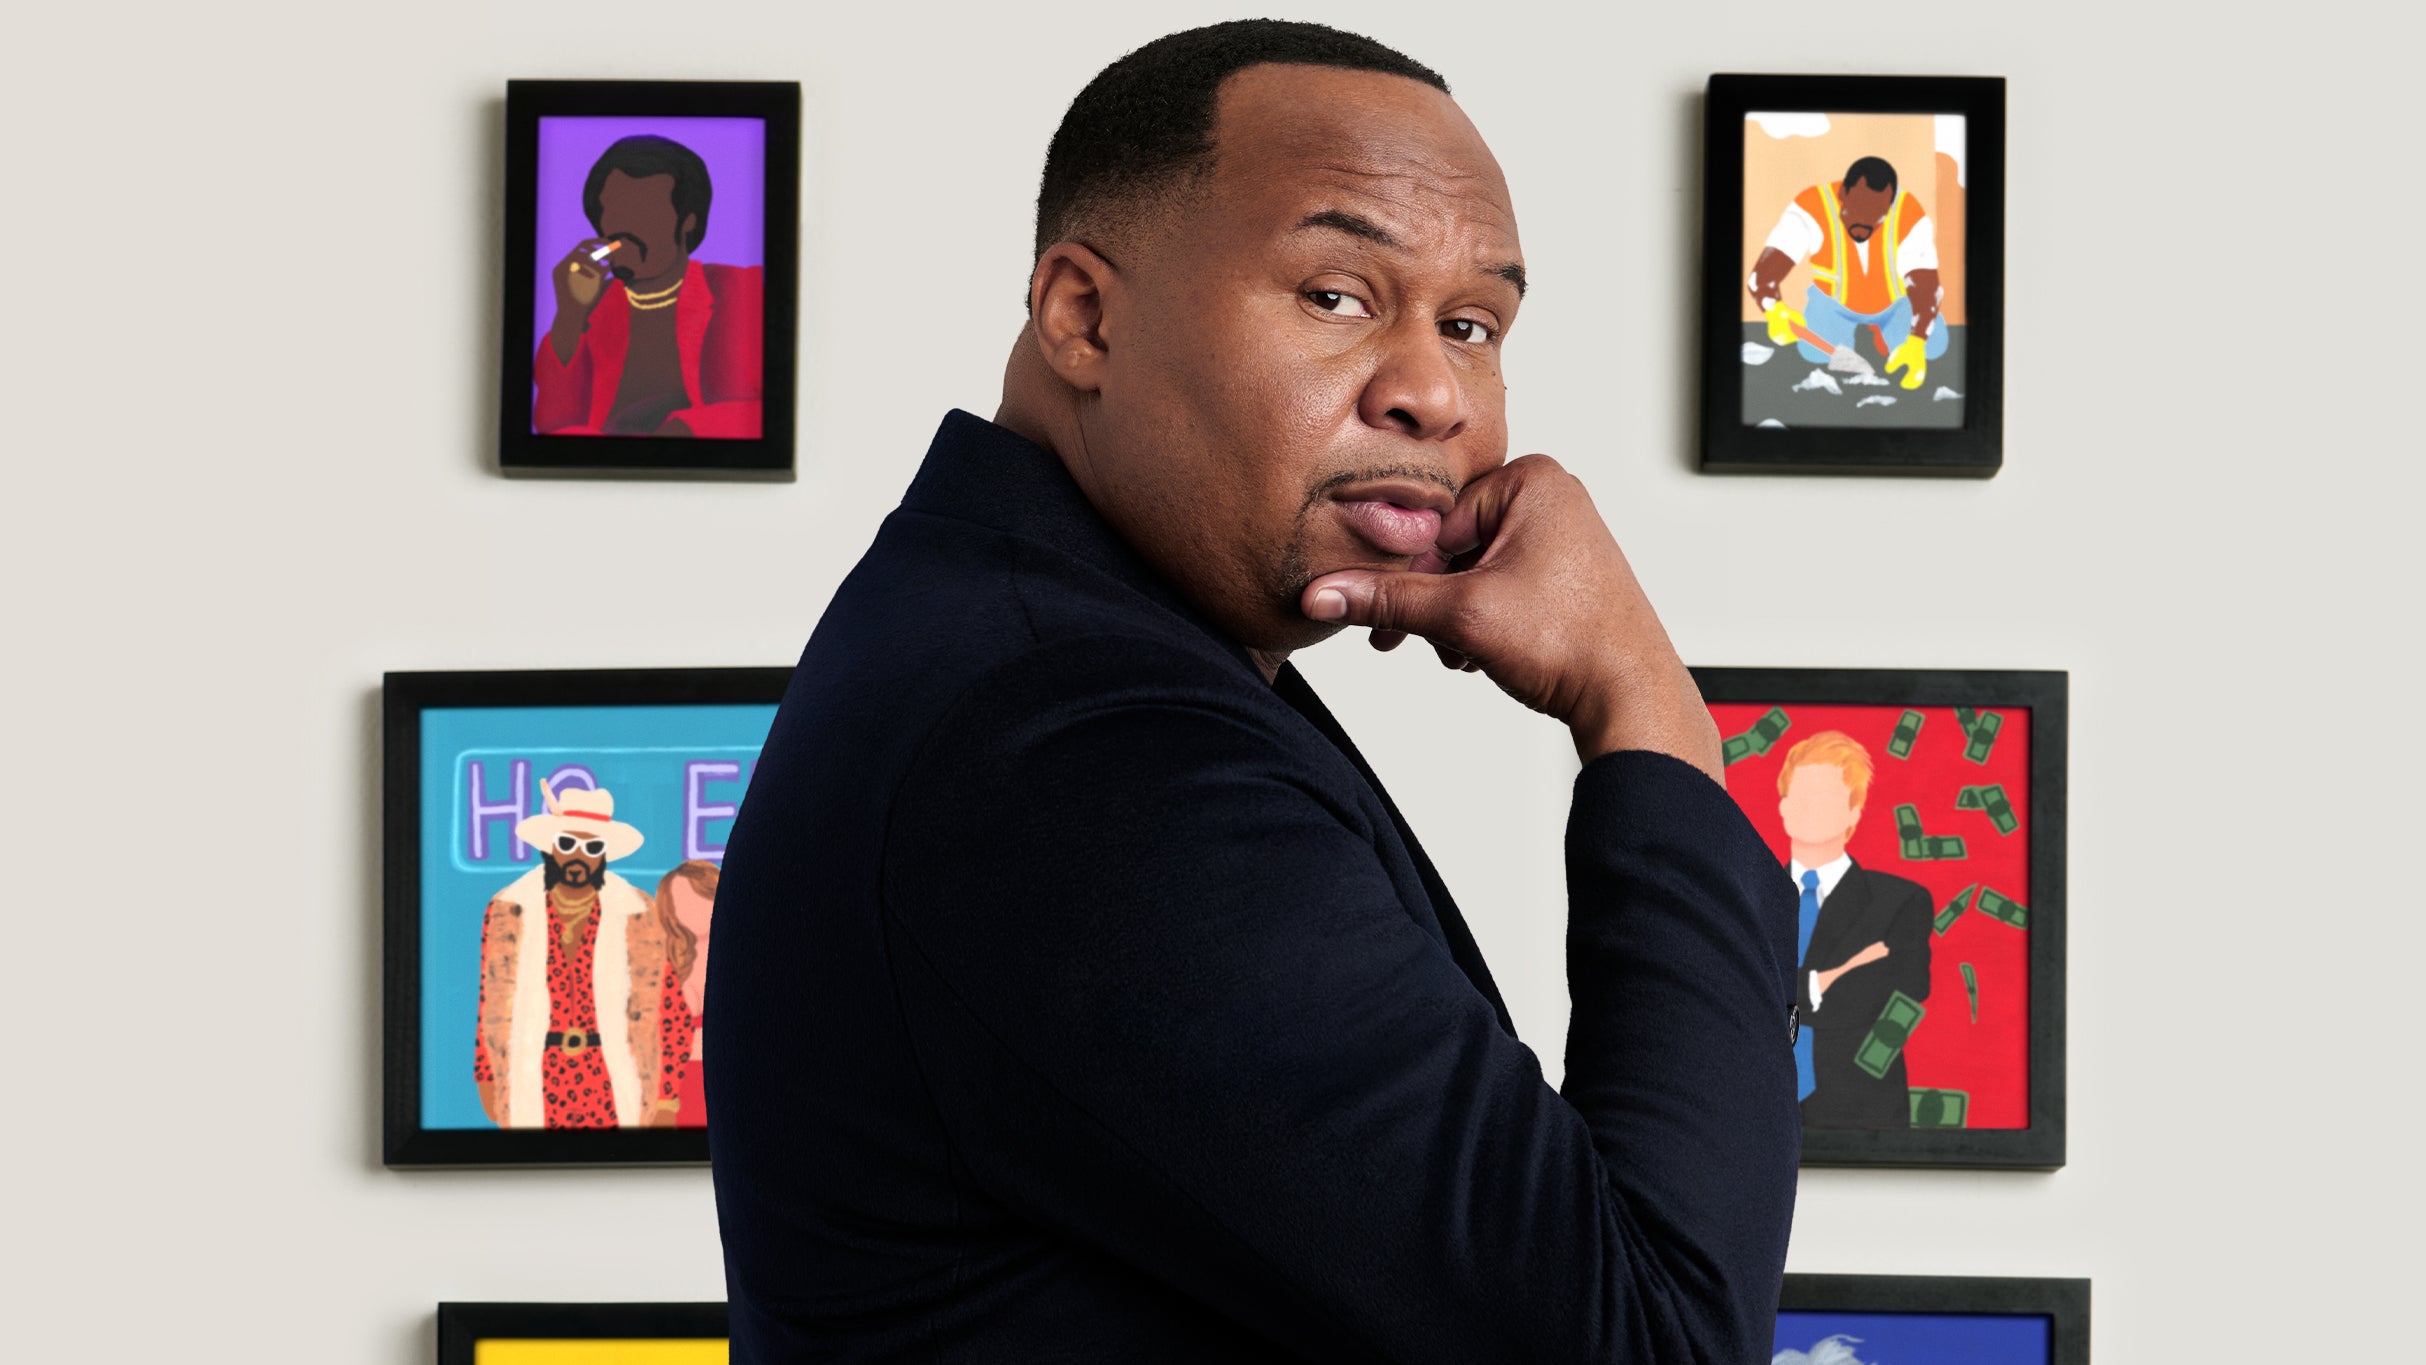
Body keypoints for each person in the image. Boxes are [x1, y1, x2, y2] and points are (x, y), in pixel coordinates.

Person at [709, 20, 1799, 1360]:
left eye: (1471, 326)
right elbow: (1654, 1342)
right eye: (1336, 296)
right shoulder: (1080, 750)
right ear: (1082, 316)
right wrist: (1641, 702)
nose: (1432, 394)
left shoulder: (1041, 646)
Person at [472, 782, 691, 1129]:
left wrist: (665, 1097)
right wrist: (487, 1075)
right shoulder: (508, 909)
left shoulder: (638, 913)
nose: (578, 855)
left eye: (592, 847)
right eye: (567, 844)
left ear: (603, 854)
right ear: (550, 848)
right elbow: (493, 1002)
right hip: (534, 1079)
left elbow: (668, 1008)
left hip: (615, 1079)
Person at [533, 134, 764, 439]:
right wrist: (569, 314)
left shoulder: (741, 291)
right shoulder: (590, 305)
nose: (624, 227)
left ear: (688, 221)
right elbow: (553, 425)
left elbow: (777, 408)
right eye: (614, 210)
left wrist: (689, 429)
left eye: (645, 212)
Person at [1775, 732, 1933, 1128]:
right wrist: (1826, 979)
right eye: (1801, 794)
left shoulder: (1899, 902)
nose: (1811, 807)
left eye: (1826, 797)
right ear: (1784, 806)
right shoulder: (1749, 898)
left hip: (1863, 1110)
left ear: (1854, 812)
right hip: (1759, 1111)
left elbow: (1889, 995)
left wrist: (1779, 992)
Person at [1747, 155, 1946, 390]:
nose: (1864, 224)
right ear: (1843, 194)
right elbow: (1761, 277)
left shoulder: (1909, 213)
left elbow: (1926, 284)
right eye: (1857, 210)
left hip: (1894, 305)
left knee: (1934, 347)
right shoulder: (1810, 206)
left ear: (1889, 206)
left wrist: (1917, 340)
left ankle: (1883, 330)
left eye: (1877, 215)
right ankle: (1871, 333)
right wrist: (1773, 309)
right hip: (1833, 305)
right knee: (1813, 353)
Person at [653, 859, 717, 1126]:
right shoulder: (669, 968)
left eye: (697, 897)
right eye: (680, 902)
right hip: (681, 1083)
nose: (691, 910)